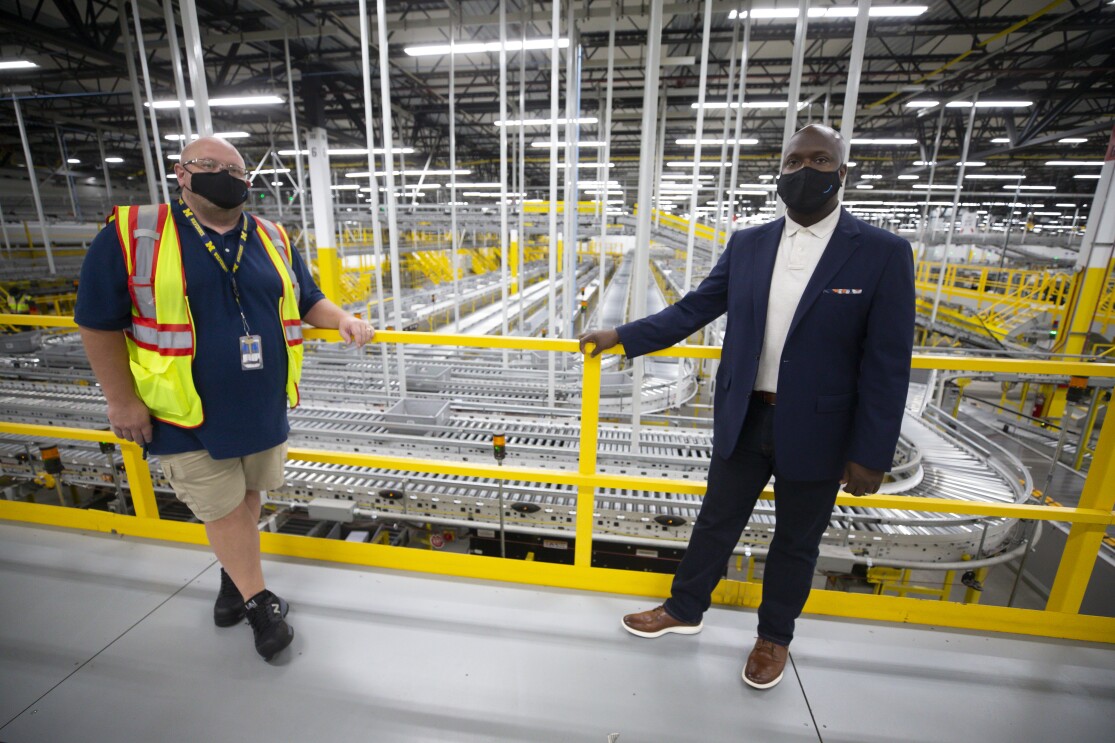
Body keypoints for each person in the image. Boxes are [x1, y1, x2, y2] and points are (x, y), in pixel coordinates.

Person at [578, 124, 915, 690]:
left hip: (820, 427)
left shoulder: (881, 253)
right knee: (715, 522)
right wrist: (623, 336)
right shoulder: (750, 244)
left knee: (795, 540)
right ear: (780, 173)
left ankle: (773, 638)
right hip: (746, 413)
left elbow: (888, 362)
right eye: (794, 161)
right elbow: (693, 310)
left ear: (841, 173)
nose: (805, 171)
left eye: (820, 159)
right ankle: (684, 609)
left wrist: (870, 452)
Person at [75, 136, 376, 662]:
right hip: (181, 408)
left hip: (261, 403)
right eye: (208, 165)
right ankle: (260, 605)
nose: (225, 175)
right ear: (181, 173)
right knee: (222, 507)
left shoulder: (271, 236)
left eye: (235, 169)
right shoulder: (135, 233)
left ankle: (234, 581)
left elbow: (307, 298)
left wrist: (344, 319)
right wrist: (121, 401)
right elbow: (97, 323)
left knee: (247, 497)